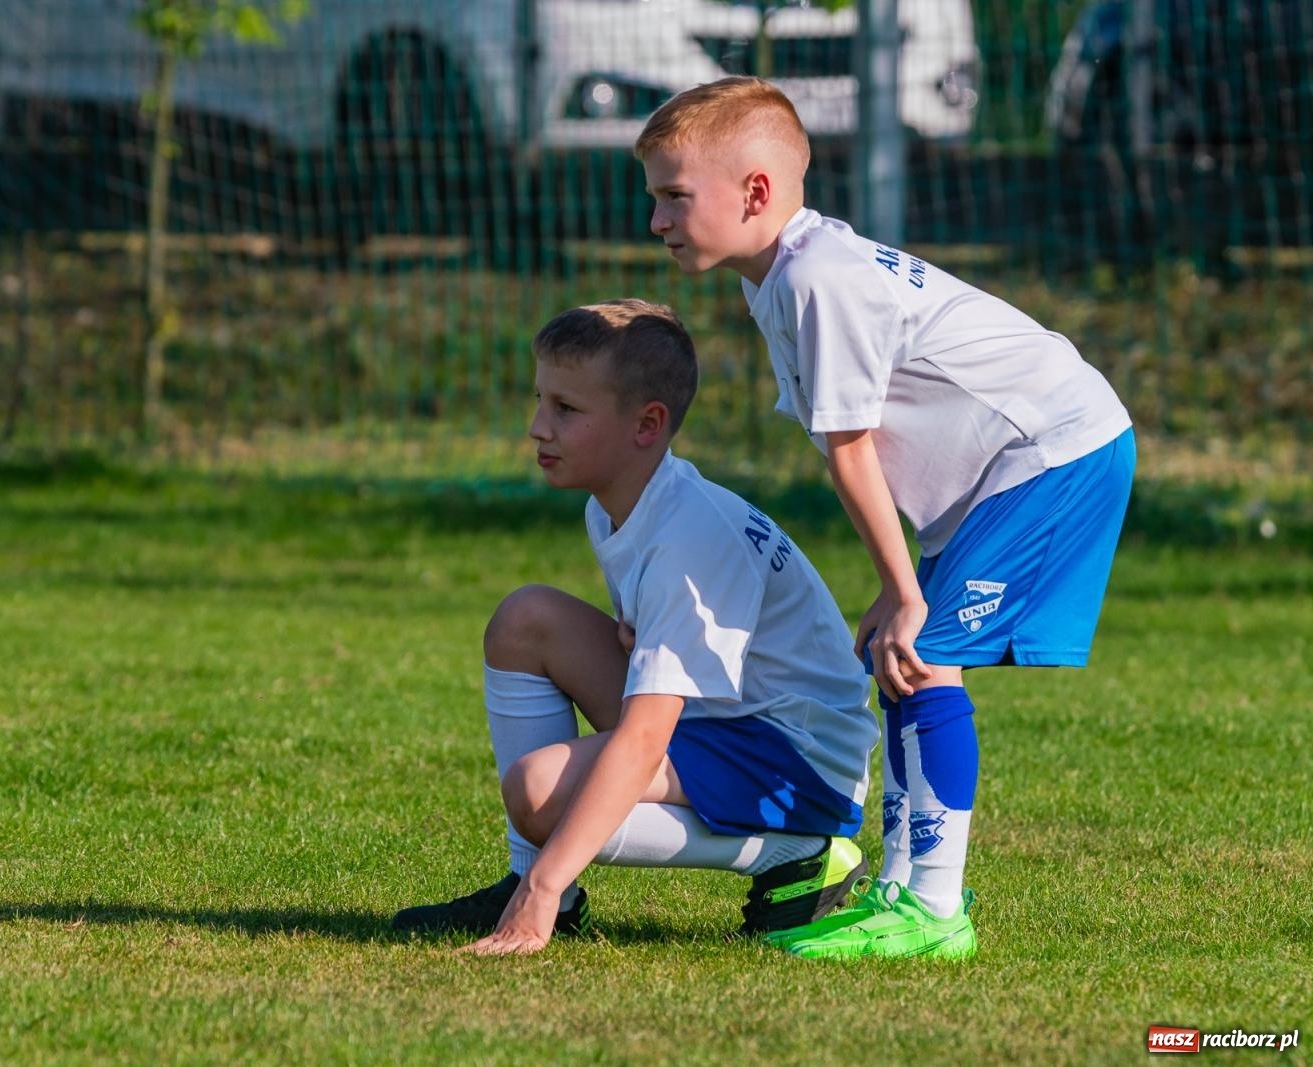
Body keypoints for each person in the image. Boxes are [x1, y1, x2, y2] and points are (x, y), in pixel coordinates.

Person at [633, 77, 1137, 959]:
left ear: (755, 191)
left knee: (926, 651)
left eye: (675, 197)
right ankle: (903, 889)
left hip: (1054, 448)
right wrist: (898, 588)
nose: (658, 220)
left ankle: (935, 912)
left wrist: (906, 591)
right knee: (901, 657)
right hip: (1002, 466)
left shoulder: (820, 278)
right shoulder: (781, 276)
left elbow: (853, 448)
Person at [391, 299, 879, 955]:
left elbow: (647, 736)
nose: (538, 427)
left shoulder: (689, 537)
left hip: (796, 761)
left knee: (538, 791)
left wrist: (549, 872)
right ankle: (540, 889)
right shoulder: (616, 505)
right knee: (525, 619)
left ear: (646, 425)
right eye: (541, 400)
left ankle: (801, 852)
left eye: (566, 409)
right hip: (729, 719)